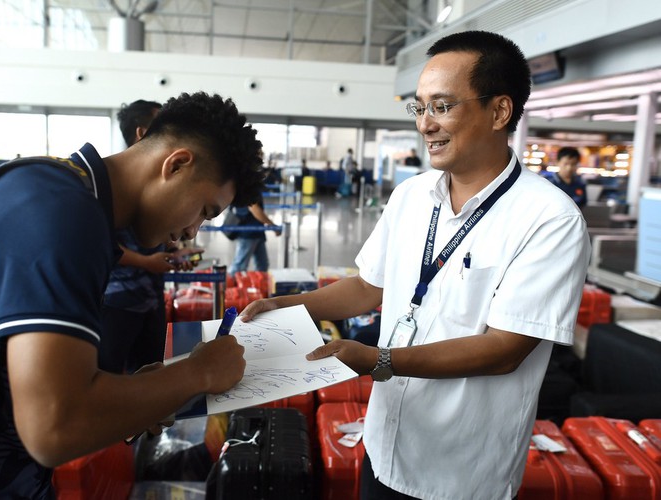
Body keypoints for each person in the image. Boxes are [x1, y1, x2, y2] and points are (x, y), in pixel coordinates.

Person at [241, 31, 590, 500]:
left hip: (460, 471)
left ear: (499, 111)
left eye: (442, 106)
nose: (426, 124)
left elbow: (506, 348)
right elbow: (369, 287)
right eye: (420, 107)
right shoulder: (411, 196)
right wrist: (289, 305)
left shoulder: (550, 218)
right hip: (383, 444)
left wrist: (378, 360)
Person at [0, 91, 264, 497]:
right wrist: (197, 372)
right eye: (204, 210)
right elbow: (53, 428)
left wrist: (151, 391)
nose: (192, 232)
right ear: (177, 164)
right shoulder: (62, 216)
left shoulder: (60, 187)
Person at [99, 99, 203, 374]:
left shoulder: (157, 188)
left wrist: (172, 254)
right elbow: (104, 247)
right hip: (117, 302)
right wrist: (147, 263)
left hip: (152, 297)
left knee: (150, 368)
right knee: (111, 372)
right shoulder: (107, 190)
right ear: (142, 133)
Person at [228, 195, 280, 276]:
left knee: (262, 265)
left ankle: (260, 285)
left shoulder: (251, 184)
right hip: (248, 232)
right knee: (239, 267)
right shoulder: (247, 184)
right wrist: (272, 225)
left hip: (257, 231)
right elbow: (254, 209)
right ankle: (229, 286)